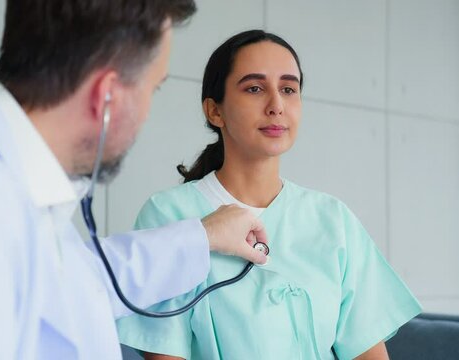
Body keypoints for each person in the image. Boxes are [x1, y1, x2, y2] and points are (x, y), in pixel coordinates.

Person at [0, 2, 273, 359]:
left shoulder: (0, 178)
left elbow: (76, 281)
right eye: (151, 89)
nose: (148, 112)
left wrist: (202, 236)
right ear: (106, 96)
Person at [116, 30, 422, 360]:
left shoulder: (333, 219)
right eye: (255, 88)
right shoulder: (168, 216)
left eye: (289, 89)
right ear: (214, 111)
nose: (276, 105)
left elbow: (368, 353)